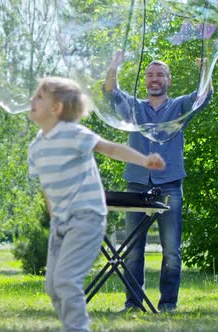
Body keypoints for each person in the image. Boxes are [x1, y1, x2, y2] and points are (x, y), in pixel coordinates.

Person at [27, 76, 165, 331]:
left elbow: (111, 149)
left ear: (56, 108)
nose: (31, 100)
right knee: (53, 286)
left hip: (86, 218)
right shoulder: (36, 146)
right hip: (61, 222)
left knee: (67, 282)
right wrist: (53, 215)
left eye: (39, 97)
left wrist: (145, 160)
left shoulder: (73, 133)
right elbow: (47, 187)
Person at [103, 51, 213, 313]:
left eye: (160, 74)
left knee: (172, 251)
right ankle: (133, 304)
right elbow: (110, 93)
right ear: (145, 80)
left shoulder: (179, 107)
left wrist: (206, 70)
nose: (155, 79)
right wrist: (114, 66)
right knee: (133, 251)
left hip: (170, 184)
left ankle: (168, 304)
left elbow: (204, 96)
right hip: (137, 183)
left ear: (168, 80)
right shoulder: (134, 108)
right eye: (151, 74)